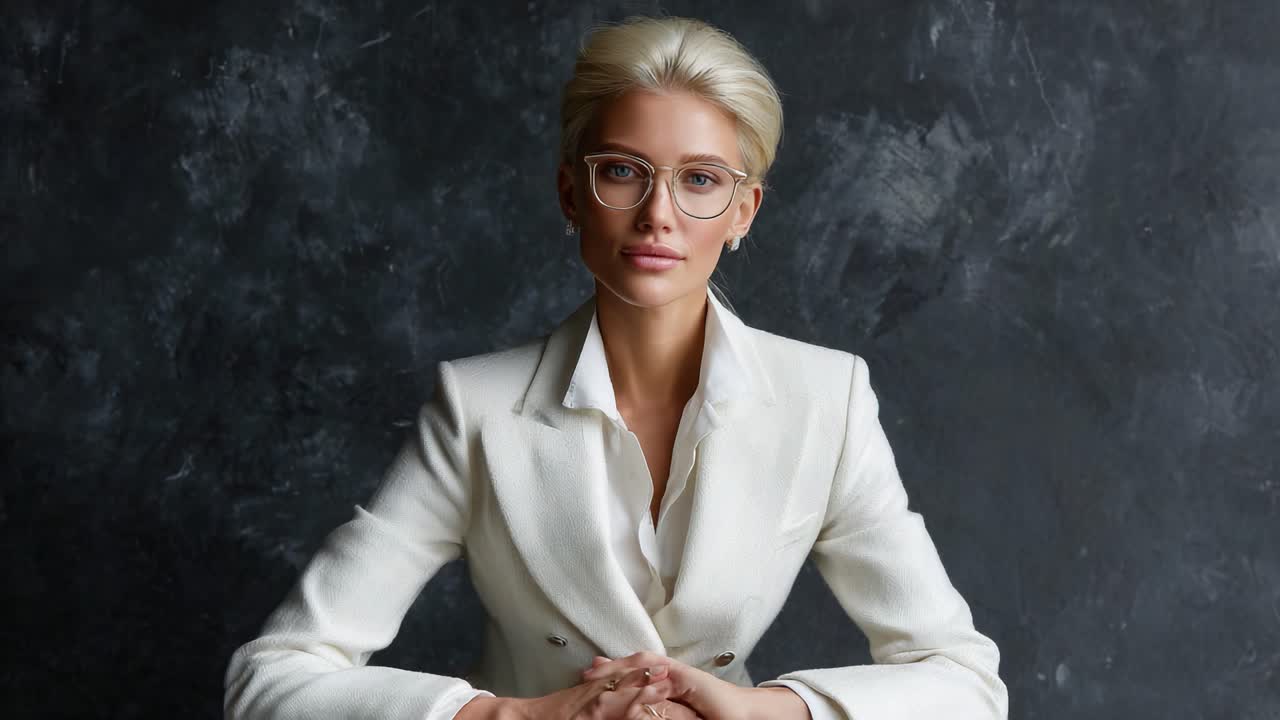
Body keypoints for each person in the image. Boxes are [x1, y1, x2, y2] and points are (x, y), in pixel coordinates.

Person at [223, 14, 1008, 720]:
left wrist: (762, 713)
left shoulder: (827, 399)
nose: (657, 213)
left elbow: (966, 685)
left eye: (700, 179)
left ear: (744, 212)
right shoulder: (476, 407)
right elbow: (271, 680)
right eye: (623, 170)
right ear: (572, 192)